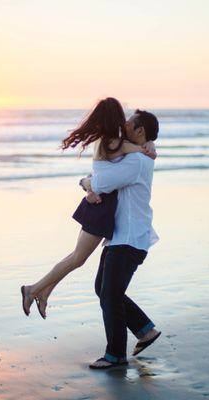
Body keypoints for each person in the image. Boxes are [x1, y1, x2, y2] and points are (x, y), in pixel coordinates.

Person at [21, 98, 156, 318]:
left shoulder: (113, 141)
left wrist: (149, 144)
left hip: (102, 204)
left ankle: (43, 292)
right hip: (101, 207)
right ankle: (32, 290)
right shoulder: (111, 143)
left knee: (76, 257)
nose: (126, 121)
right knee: (77, 258)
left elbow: (117, 161)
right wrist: (145, 147)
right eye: (123, 116)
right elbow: (130, 151)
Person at [79, 109, 161, 369]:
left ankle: (115, 354)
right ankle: (145, 330)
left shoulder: (136, 161)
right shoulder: (135, 157)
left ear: (139, 131)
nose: (123, 124)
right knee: (103, 290)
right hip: (123, 238)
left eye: (129, 122)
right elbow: (106, 174)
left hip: (128, 240)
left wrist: (86, 182)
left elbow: (102, 182)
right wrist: (88, 182)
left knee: (110, 295)